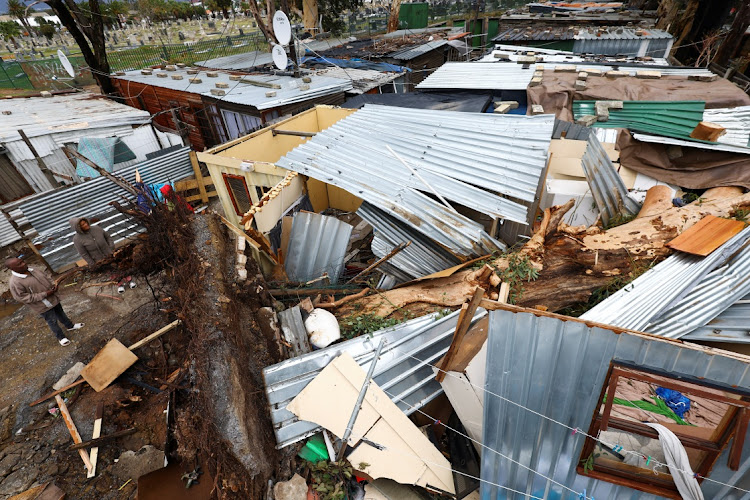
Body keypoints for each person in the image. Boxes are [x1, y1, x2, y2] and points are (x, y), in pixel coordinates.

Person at [5, 258, 83, 346]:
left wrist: (53, 284)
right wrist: (44, 294)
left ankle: (70, 326)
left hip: (53, 297)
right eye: (19, 264)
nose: (24, 264)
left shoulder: (32, 269)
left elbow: (46, 276)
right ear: (12, 269)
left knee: (60, 313)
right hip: (42, 305)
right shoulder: (15, 282)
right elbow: (22, 298)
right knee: (52, 321)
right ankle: (61, 337)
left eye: (23, 261)